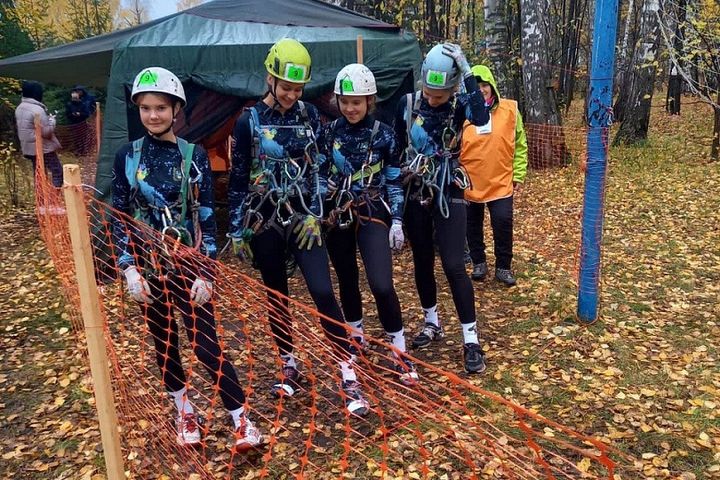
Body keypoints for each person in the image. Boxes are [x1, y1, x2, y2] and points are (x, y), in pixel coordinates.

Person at [112, 66, 263, 451]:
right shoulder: (126, 157)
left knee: (205, 344)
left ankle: (241, 418)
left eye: (161, 107)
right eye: (145, 108)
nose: (153, 115)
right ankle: (184, 411)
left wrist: (208, 272)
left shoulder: (193, 156)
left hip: (188, 266)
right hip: (147, 269)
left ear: (176, 109)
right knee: (164, 343)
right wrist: (128, 269)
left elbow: (208, 218)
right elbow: (119, 217)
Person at [228, 39, 370, 416]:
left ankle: (347, 371)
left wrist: (315, 213)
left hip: (304, 218)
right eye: (286, 86)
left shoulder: (310, 116)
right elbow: (238, 178)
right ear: (270, 77)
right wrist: (236, 229)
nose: (292, 94)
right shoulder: (248, 122)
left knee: (323, 290)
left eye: (298, 87)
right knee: (277, 295)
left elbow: (321, 169)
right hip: (265, 220)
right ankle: (289, 364)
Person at [394, 43, 490, 374]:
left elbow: (483, 117)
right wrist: (395, 215)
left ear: (452, 87)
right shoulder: (407, 105)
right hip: (414, 190)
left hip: (448, 189)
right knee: (422, 258)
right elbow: (395, 153)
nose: (434, 99)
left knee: (452, 264)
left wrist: (467, 71)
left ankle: (471, 339)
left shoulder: (461, 104)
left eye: (441, 94)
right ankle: (431, 321)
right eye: (430, 93)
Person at [321, 63, 418, 386]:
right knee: (347, 279)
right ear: (337, 100)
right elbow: (319, 177)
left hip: (373, 210)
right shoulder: (328, 133)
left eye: (357, 102)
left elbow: (393, 180)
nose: (350, 108)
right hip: (338, 214)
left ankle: (399, 351)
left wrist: (398, 220)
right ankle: (356, 338)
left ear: (370, 102)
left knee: (381, 283)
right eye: (345, 101)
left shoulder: (384, 135)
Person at [462, 65, 528, 286]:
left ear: (491, 87)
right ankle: (479, 262)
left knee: (502, 222)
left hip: (501, 181)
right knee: (472, 225)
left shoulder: (510, 110)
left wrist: (518, 174)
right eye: (476, 86)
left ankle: (504, 267)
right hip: (470, 182)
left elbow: (520, 144)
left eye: (484, 85)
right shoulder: (461, 112)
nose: (481, 90)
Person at [14, 80, 63, 188]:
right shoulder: (37, 110)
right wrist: (52, 121)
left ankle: (41, 200)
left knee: (39, 174)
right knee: (58, 172)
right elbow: (46, 132)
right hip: (42, 148)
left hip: (29, 148)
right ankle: (54, 200)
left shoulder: (20, 107)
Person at [65, 85, 96, 155]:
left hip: (84, 121)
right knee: (76, 137)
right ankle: (78, 151)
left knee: (84, 137)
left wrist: (81, 114)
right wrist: (73, 114)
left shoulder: (87, 100)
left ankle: (84, 150)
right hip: (74, 123)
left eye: (79, 91)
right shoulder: (70, 104)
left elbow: (89, 110)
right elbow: (67, 114)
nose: (77, 93)